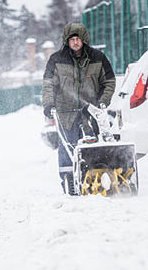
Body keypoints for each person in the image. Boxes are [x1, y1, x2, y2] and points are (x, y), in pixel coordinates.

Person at [42, 23, 116, 194]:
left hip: (90, 113)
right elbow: (48, 85)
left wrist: (103, 101)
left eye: (78, 39)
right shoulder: (56, 59)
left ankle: (94, 182)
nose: (75, 42)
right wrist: (49, 104)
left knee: (93, 148)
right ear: (66, 41)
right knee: (67, 149)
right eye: (72, 39)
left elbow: (109, 82)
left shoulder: (98, 58)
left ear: (84, 40)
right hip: (65, 114)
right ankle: (70, 185)